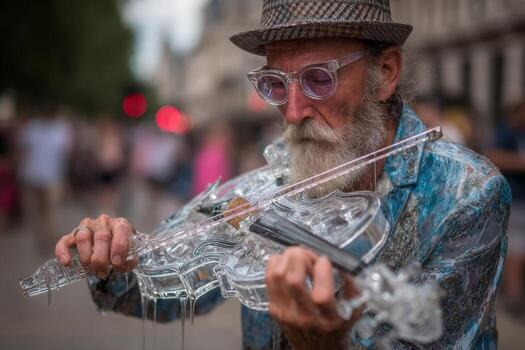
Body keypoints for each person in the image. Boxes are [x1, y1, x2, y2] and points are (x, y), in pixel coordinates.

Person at [54, 1, 510, 349]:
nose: (292, 113)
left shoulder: (466, 194)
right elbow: (158, 295)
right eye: (275, 84)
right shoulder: (266, 186)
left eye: (319, 79)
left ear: (385, 72)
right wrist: (114, 257)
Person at [486, 100, 525, 317]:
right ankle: (513, 296)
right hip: (515, 198)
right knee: (516, 250)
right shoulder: (506, 132)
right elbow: (493, 155)